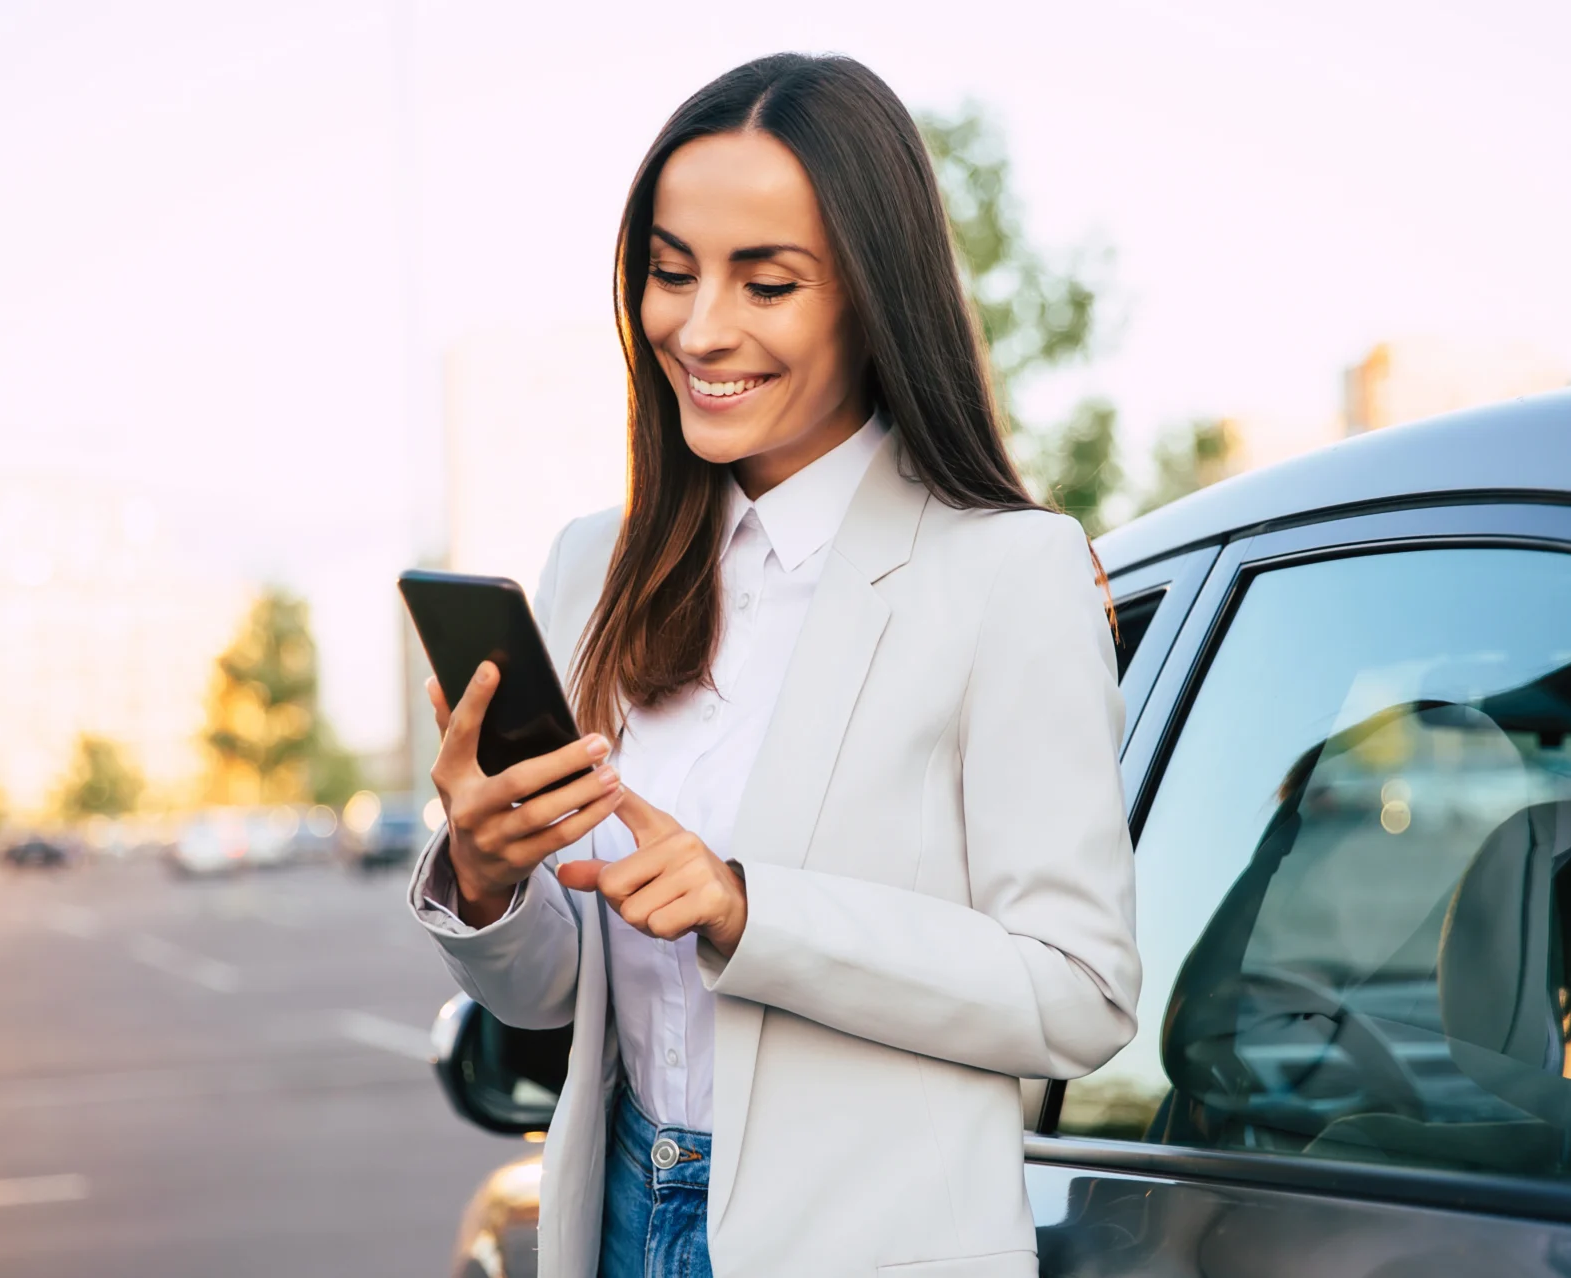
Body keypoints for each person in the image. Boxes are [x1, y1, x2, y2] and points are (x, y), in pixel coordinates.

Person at [409, 52, 1140, 1278]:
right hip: (623, 1215)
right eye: (670, 272)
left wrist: (750, 907)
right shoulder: (595, 566)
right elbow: (552, 999)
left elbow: (1079, 994)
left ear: (871, 293)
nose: (700, 329)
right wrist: (487, 881)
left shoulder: (1006, 571)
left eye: (768, 282)